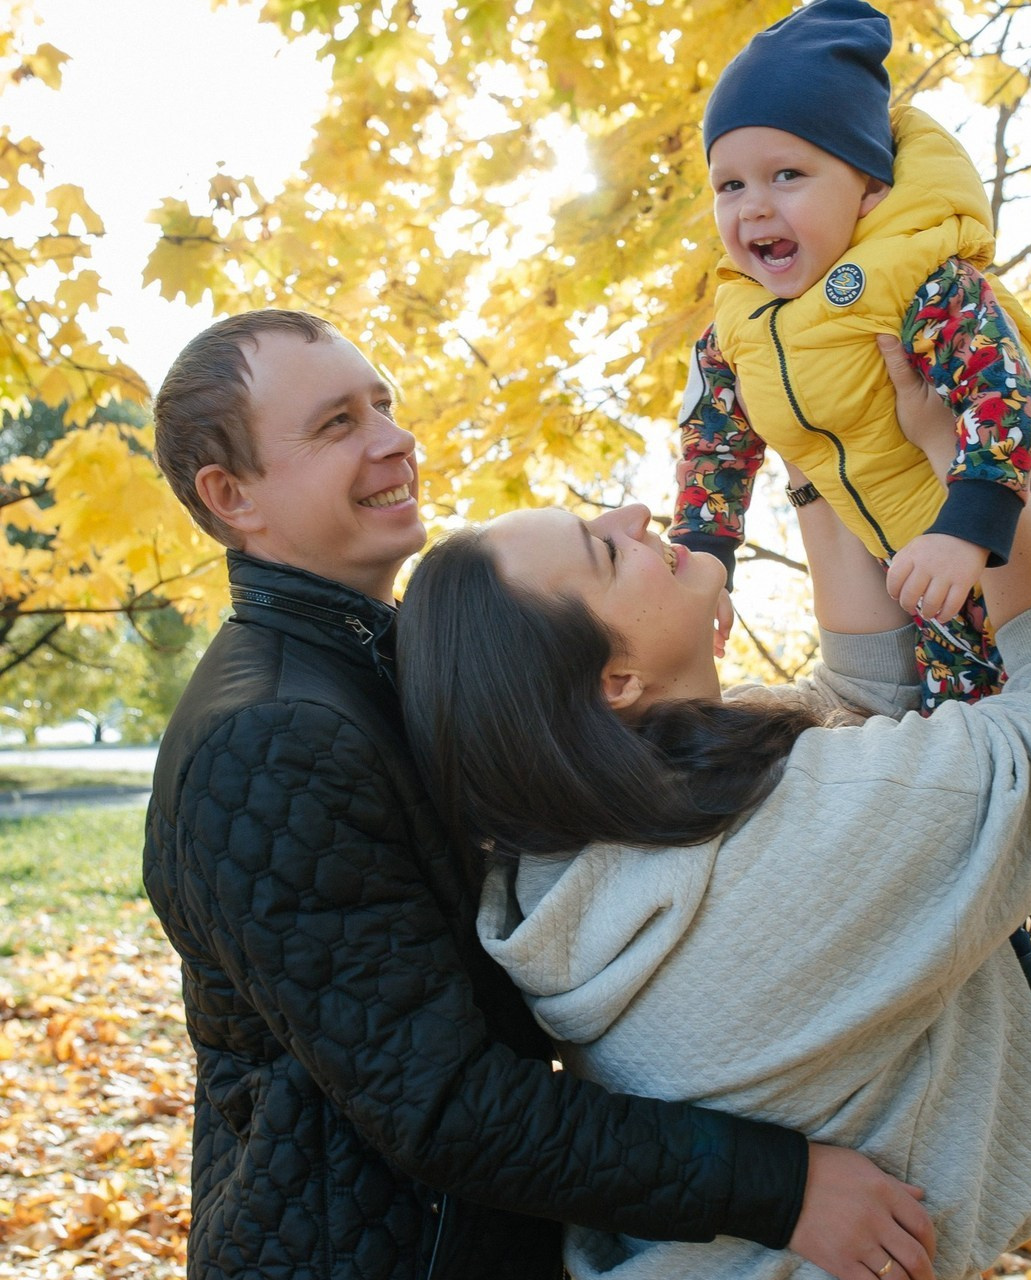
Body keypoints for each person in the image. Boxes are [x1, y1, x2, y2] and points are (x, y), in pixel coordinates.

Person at [142, 308, 938, 1280]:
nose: (395, 439)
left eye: (383, 404)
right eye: (337, 423)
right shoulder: (269, 740)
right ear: (232, 495)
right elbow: (441, 1102)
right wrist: (781, 1186)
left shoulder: (382, 664)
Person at [394, 341, 1031, 1280]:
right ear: (614, 681)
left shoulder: (582, 859)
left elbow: (859, 712)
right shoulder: (802, 842)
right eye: (604, 548)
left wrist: (813, 457)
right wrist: (962, 462)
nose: (634, 513)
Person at [668, 0, 1031, 1084]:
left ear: (870, 190)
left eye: (787, 175)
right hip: (910, 574)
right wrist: (705, 553)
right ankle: (1001, 953)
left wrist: (970, 526)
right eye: (729, 185)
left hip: (1000, 533)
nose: (754, 208)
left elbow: (1000, 401)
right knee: (963, 752)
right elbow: (715, 439)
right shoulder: (739, 327)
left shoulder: (923, 280)